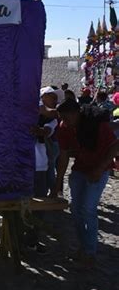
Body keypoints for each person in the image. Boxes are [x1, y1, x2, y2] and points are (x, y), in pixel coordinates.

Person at [53, 98, 119, 268]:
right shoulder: (64, 128)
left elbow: (115, 146)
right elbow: (63, 157)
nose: (64, 122)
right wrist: (57, 185)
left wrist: (100, 168)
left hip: (99, 170)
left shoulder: (98, 126)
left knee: (88, 210)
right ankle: (84, 247)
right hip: (80, 170)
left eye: (66, 118)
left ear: (76, 114)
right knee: (75, 210)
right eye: (62, 118)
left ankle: (89, 253)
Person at [26, 87, 58, 253]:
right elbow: (42, 109)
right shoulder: (30, 106)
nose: (54, 100)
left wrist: (37, 130)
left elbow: (46, 129)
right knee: (20, 203)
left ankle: (32, 239)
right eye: (51, 97)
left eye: (55, 98)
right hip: (22, 165)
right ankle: (19, 237)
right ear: (43, 96)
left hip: (39, 166)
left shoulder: (51, 119)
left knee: (38, 205)